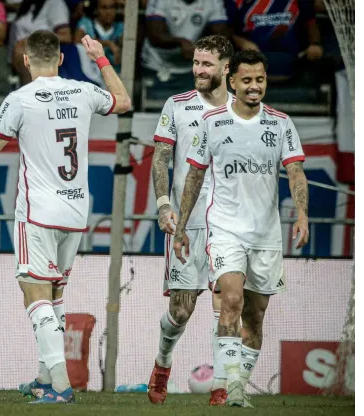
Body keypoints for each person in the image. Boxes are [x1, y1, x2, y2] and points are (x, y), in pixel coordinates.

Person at [0, 30, 131, 403]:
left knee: (35, 293)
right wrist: (99, 58)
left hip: (38, 212)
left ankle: (62, 387)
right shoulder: (83, 91)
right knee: (55, 293)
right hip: (77, 209)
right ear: (61, 59)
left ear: (27, 61)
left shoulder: (19, 100)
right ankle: (46, 379)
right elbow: (123, 101)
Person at [174, 49, 309, 407]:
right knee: (231, 299)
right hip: (225, 229)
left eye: (260, 80)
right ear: (232, 81)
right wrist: (182, 226)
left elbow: (295, 172)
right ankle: (230, 388)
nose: (254, 87)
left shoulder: (280, 123)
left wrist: (302, 214)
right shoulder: (213, 122)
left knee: (256, 314)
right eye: (246, 80)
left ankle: (240, 384)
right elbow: (194, 175)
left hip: (265, 234)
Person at [147, 34, 235, 406]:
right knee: (181, 310)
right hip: (187, 223)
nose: (198, 70)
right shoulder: (177, 105)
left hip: (230, 226)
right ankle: (162, 363)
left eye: (206, 64)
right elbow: (161, 157)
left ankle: (223, 384)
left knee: (227, 301)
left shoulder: (243, 110)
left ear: (226, 68)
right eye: (196, 62)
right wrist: (165, 204)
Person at [141, 0, 229, 90]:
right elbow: (155, 35)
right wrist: (181, 42)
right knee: (156, 103)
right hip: (157, 66)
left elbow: (221, 35)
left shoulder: (213, 2)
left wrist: (203, 48)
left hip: (191, 70)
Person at [9, 0, 72, 86]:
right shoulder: (27, 5)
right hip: (16, 64)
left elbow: (66, 36)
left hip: (40, 61)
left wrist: (34, 39)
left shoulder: (55, 3)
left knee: (32, 93)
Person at [74, 0, 124, 71]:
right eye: (104, 8)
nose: (108, 12)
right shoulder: (86, 23)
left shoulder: (121, 27)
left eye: (112, 7)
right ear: (96, 10)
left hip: (115, 74)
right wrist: (107, 43)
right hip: (90, 74)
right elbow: (77, 42)